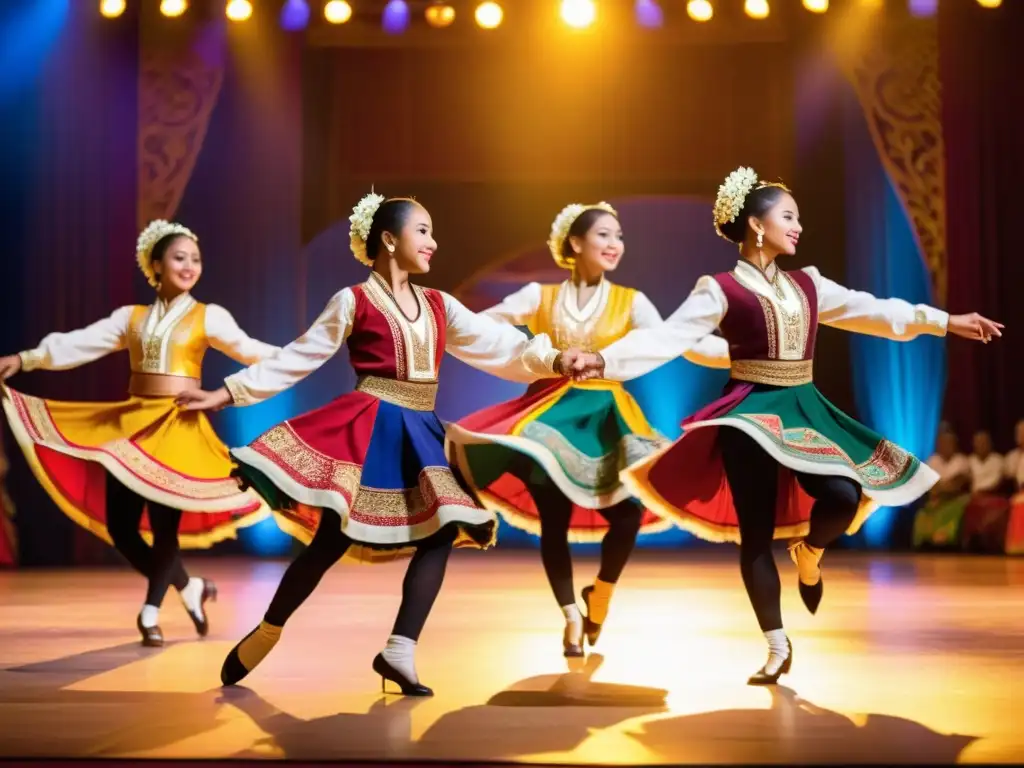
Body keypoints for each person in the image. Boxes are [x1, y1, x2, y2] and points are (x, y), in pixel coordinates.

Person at [568, 167, 1002, 684]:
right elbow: (666, 338)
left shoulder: (808, 284)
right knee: (755, 536)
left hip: (802, 409)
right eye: (788, 216)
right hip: (748, 415)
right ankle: (776, 645)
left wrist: (944, 321)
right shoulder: (720, 287)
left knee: (842, 496)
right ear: (756, 224)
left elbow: (873, 311)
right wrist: (601, 361)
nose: (798, 226)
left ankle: (810, 551)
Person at [177, 193, 568, 696]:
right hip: (370, 428)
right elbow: (299, 357)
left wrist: (556, 360)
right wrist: (226, 393)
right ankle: (269, 629)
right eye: (423, 230)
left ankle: (399, 650)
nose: (433, 241)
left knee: (443, 529)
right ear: (389, 239)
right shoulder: (353, 301)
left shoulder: (439, 304)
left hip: (421, 430)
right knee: (331, 541)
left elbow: (500, 347)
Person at [447, 201, 729, 656]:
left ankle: (602, 592)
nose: (615, 244)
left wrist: (747, 353)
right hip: (549, 414)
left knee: (628, 514)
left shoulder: (631, 300)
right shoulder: (538, 296)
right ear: (575, 243)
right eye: (604, 234)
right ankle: (569, 614)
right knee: (553, 517)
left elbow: (675, 341)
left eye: (619, 236)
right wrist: (532, 352)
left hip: (605, 417)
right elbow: (483, 326)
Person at [0, 220, 279, 644]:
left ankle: (149, 613)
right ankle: (190, 587)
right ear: (156, 263)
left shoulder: (210, 317)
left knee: (165, 528)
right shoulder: (131, 318)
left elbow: (253, 350)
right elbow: (79, 344)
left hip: (179, 426)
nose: (188, 266)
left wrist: (301, 356)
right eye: (179, 257)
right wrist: (25, 359)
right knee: (122, 528)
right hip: (132, 424)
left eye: (195, 259)